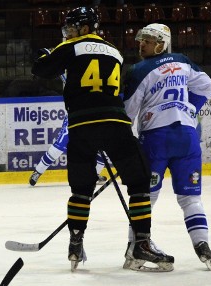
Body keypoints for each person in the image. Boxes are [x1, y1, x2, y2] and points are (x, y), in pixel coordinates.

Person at [31, 6, 174, 272]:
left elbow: (41, 70)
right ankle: (141, 242)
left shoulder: (71, 46)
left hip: (82, 124)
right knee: (139, 183)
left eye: (73, 28)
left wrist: (43, 54)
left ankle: (76, 242)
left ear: (85, 28)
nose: (70, 32)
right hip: (115, 123)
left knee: (81, 188)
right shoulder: (116, 53)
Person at [122, 23, 211, 270]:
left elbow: (128, 112)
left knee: (146, 197)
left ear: (162, 43)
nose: (142, 44)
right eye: (141, 40)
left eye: (148, 40)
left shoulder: (138, 70)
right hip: (187, 136)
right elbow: (208, 87)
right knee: (190, 197)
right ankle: (202, 245)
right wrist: (188, 109)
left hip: (156, 139)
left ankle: (135, 249)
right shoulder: (183, 61)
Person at [29, 116, 107, 186]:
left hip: (93, 122)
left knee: (102, 150)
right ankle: (38, 171)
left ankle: (93, 176)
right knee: (58, 147)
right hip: (74, 118)